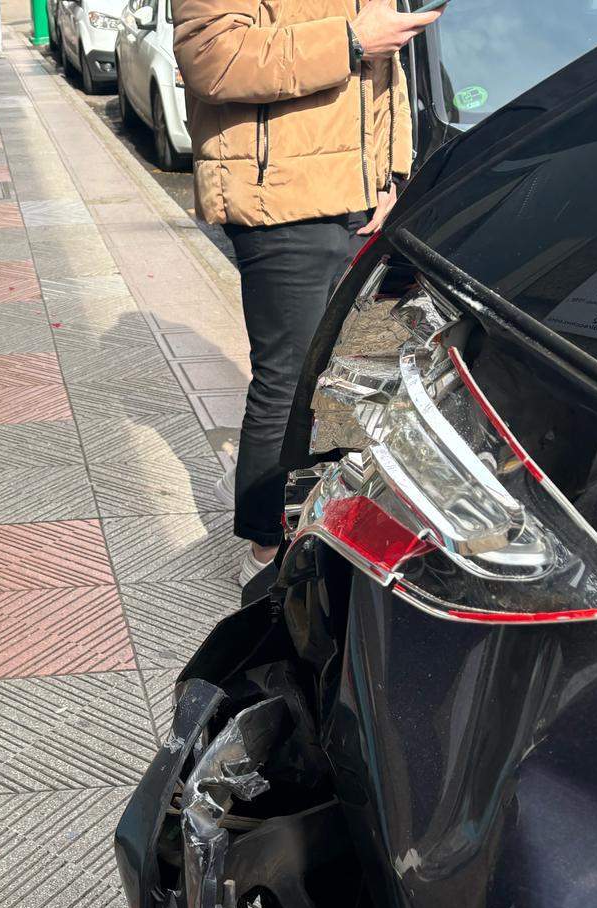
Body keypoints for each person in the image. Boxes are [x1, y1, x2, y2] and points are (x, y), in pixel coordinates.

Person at [172, 0, 440, 586]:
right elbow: (210, 59)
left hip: (360, 200)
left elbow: (384, 81)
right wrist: (348, 39)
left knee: (342, 378)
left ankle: (316, 520)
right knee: (288, 379)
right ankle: (266, 547)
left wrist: (391, 175)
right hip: (280, 202)